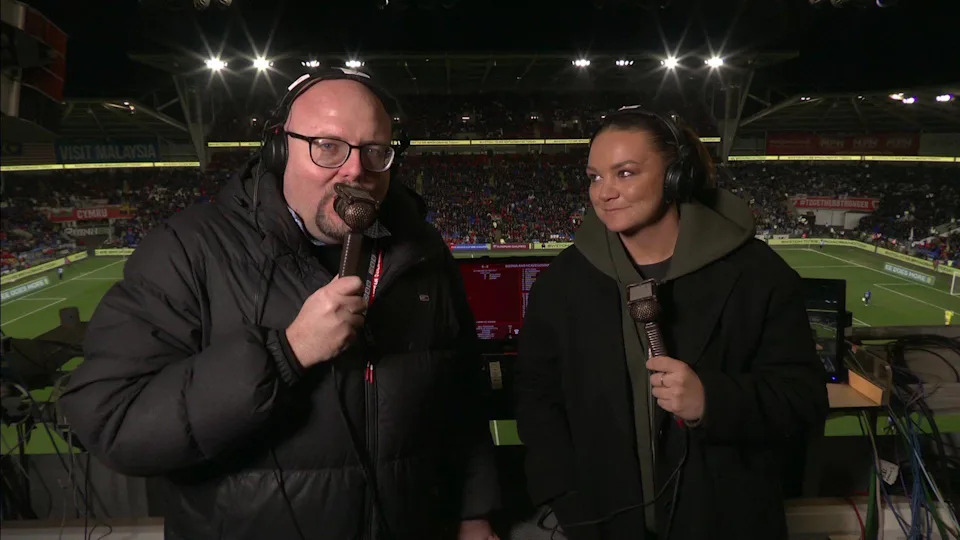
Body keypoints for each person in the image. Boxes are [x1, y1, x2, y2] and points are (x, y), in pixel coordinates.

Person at [60, 68, 500, 540]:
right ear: (278, 150)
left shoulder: (422, 250)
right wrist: (286, 352)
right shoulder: (187, 249)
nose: (355, 170)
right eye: (327, 146)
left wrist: (474, 513)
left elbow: (461, 395)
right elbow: (114, 422)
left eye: (374, 151)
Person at [515, 106, 828, 540]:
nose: (604, 193)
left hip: (726, 523)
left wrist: (711, 400)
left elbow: (803, 398)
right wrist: (564, 498)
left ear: (677, 176)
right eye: (595, 177)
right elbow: (536, 397)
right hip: (597, 524)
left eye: (625, 173)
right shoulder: (563, 282)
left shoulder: (758, 274)